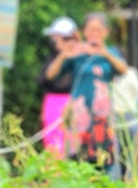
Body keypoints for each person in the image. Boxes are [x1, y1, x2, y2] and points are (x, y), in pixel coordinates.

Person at [44, 11, 128, 170]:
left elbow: (123, 70)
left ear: (106, 32)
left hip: (101, 115)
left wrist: (105, 53)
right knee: (76, 156)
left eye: (98, 30)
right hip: (79, 113)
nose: (94, 34)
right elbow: (50, 75)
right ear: (84, 31)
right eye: (90, 30)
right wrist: (64, 54)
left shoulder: (110, 53)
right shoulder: (77, 53)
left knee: (102, 156)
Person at [36, 16, 79, 159]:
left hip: (73, 103)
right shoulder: (54, 57)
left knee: (72, 144)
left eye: (57, 38)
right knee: (53, 144)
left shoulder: (79, 57)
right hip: (53, 103)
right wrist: (62, 55)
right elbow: (45, 78)